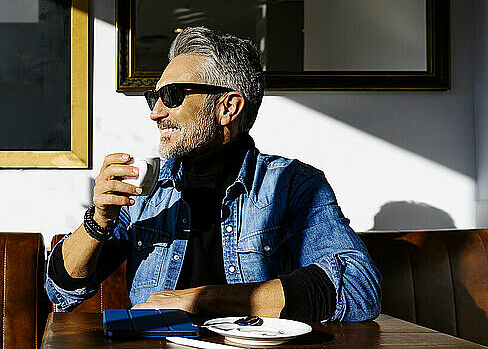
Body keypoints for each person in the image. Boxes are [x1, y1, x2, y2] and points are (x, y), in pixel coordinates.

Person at [45, 27, 381, 322]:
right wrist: (99, 219)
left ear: (227, 108)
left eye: (172, 95)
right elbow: (62, 291)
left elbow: (358, 289)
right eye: (154, 97)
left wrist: (199, 299)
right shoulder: (145, 188)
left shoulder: (292, 184)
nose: (155, 112)